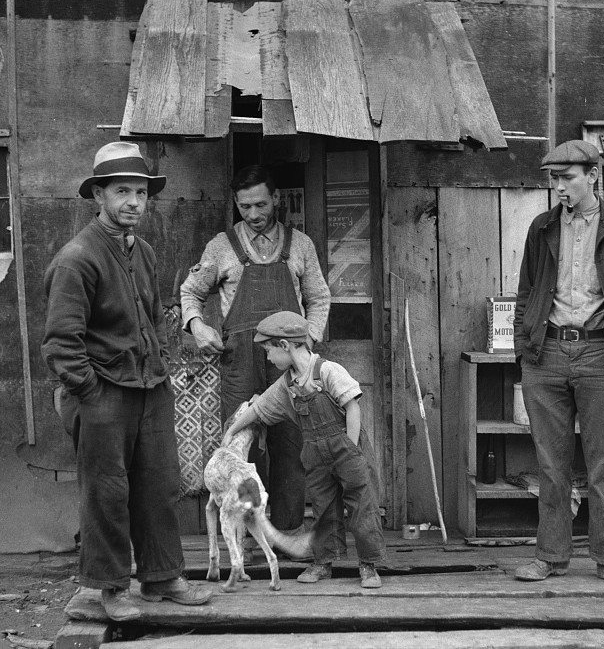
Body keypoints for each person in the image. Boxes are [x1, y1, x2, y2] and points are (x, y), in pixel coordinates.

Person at [41, 141, 211, 622]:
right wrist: (91, 395)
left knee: (160, 484)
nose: (134, 202)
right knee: (107, 491)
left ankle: (161, 576)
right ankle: (111, 586)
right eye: (122, 191)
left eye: (141, 192)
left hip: (150, 388)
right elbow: (60, 342)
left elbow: (154, 318)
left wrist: (160, 370)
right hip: (102, 393)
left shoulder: (147, 252)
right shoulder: (77, 258)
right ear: (98, 195)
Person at [513, 139, 604, 590]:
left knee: (602, 466)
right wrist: (524, 349)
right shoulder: (542, 228)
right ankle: (551, 557)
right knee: (551, 466)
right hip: (547, 356)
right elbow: (526, 294)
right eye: (554, 179)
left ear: (593, 176)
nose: (559, 187)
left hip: (601, 357)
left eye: (567, 177)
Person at [180, 165, 330, 535]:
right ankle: (250, 529)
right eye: (245, 207)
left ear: (276, 199)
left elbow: (319, 297)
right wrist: (197, 326)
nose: (253, 215)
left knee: (290, 446)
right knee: (240, 450)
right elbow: (191, 292)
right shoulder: (220, 247)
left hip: (288, 364)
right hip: (239, 365)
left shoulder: (301, 245)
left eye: (261, 205)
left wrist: (306, 343)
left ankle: (288, 529)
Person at [223, 311, 385, 588]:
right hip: (314, 453)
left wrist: (350, 445)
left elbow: (352, 406)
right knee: (324, 508)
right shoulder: (286, 384)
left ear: (285, 345)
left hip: (346, 447)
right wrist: (231, 430)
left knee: (361, 505)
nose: (268, 358)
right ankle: (323, 562)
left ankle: (368, 565)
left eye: (269, 350)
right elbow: (259, 409)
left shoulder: (328, 370)